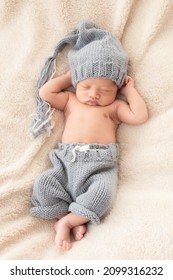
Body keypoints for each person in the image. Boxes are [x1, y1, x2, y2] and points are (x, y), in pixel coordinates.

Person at [30, 20, 148, 251]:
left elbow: (139, 116)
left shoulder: (113, 109)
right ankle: (67, 218)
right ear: (76, 83)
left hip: (99, 167)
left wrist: (130, 91)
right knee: (44, 184)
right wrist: (69, 76)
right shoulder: (71, 101)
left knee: (103, 193)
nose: (94, 95)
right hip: (66, 163)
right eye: (86, 87)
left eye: (105, 90)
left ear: (117, 88)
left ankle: (70, 220)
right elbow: (46, 92)